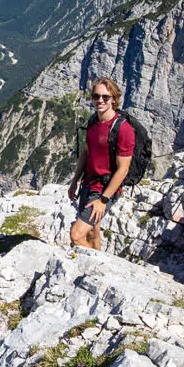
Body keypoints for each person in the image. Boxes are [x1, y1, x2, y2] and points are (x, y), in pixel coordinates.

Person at [67, 77, 134, 250]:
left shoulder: (123, 129)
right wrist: (75, 181)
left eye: (105, 97)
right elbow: (86, 153)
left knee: (76, 234)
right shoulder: (93, 122)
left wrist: (103, 200)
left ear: (114, 99)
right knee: (91, 232)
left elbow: (123, 169)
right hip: (88, 184)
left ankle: (91, 266)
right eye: (96, 96)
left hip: (104, 190)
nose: (100, 101)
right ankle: (96, 266)